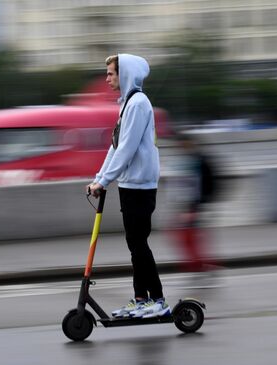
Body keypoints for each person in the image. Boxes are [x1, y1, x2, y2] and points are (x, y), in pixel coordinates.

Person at [86, 54, 169, 318]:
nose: (107, 78)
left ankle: (157, 300)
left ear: (125, 74)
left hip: (140, 186)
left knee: (138, 243)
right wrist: (100, 177)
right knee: (135, 244)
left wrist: (104, 180)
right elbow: (116, 147)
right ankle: (140, 299)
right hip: (130, 184)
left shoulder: (138, 104)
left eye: (111, 73)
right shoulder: (127, 105)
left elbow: (127, 149)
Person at [167, 133, 220, 282]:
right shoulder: (189, 160)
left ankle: (200, 267)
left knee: (189, 237)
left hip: (195, 206)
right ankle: (200, 266)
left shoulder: (199, 161)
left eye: (183, 144)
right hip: (189, 205)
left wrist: (202, 205)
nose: (180, 147)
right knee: (189, 237)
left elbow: (206, 184)